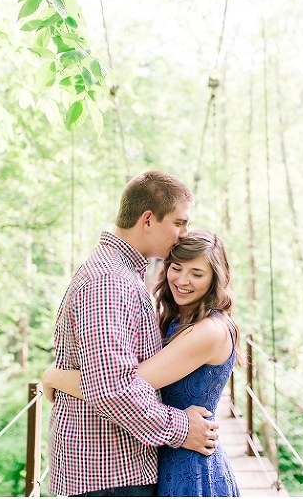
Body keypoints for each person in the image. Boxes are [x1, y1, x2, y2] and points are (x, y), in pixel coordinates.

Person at [47, 171, 220, 497]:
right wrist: (184, 430)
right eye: (179, 223)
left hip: (114, 469)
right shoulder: (109, 282)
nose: (184, 234)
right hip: (108, 473)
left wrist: (53, 375)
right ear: (147, 220)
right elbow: (112, 387)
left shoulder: (120, 274)